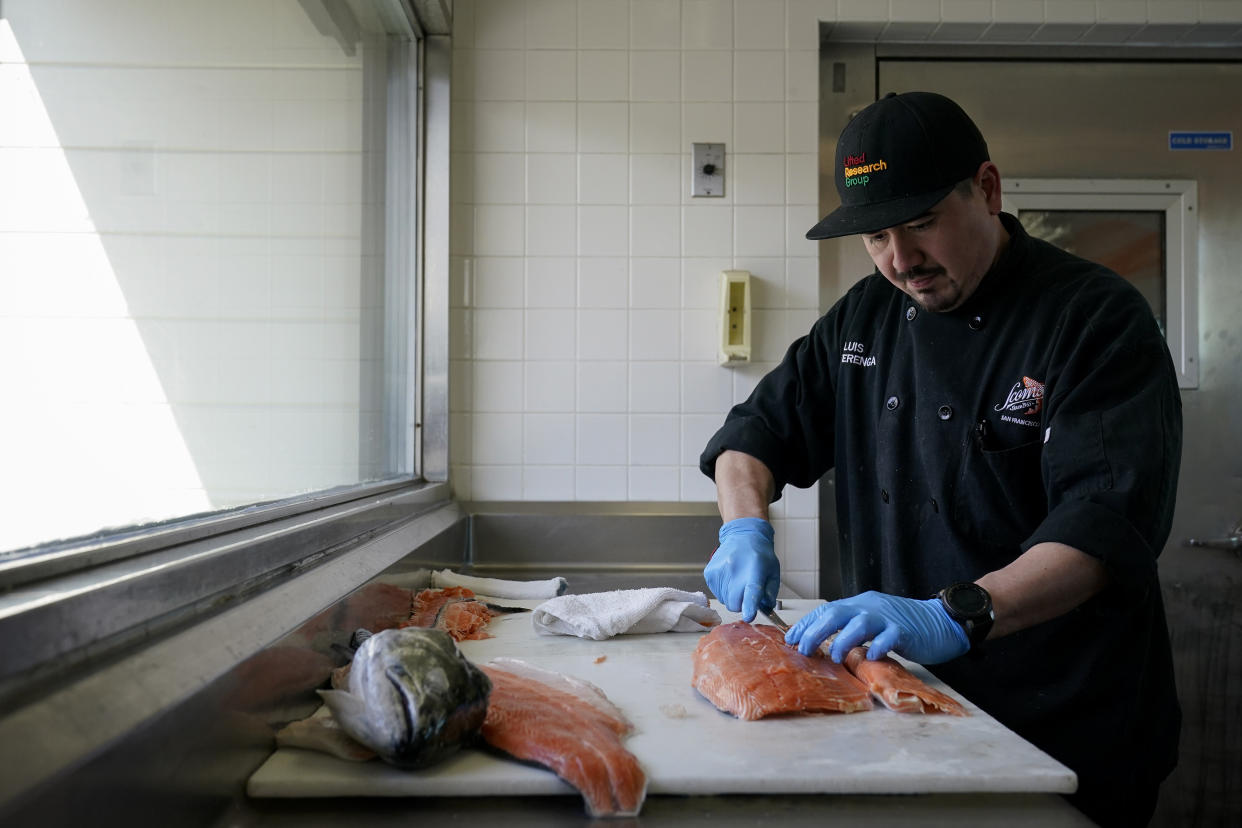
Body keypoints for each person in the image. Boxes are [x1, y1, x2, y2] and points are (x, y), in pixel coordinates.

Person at [699, 91, 1181, 828]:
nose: (901, 261)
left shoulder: (1094, 318)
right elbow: (750, 436)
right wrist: (743, 528)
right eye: (875, 238)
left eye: (921, 225)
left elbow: (1103, 526)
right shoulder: (863, 317)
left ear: (986, 191)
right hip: (901, 713)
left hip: (1069, 727)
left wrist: (958, 614)